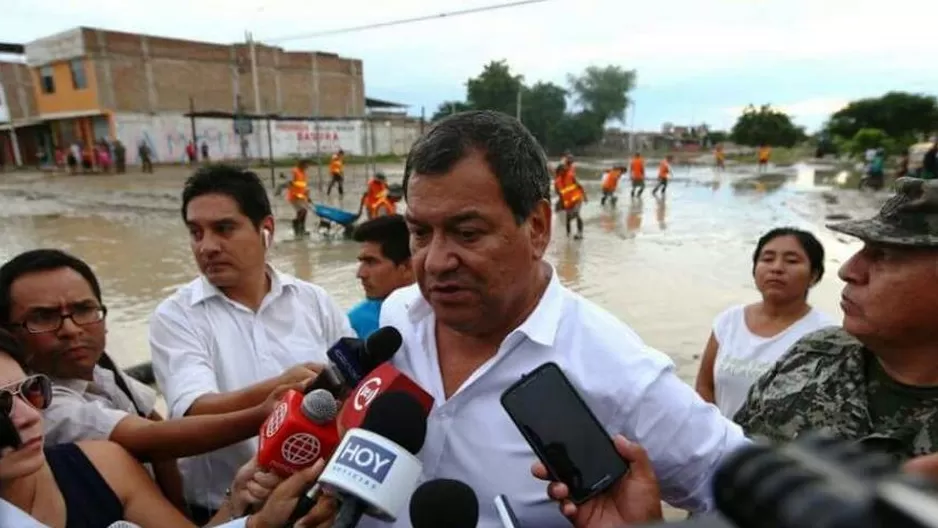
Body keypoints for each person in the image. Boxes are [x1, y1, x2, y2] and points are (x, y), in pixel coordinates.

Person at [364, 110, 747, 527]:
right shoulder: (398, 313)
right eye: (420, 233)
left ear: (538, 228)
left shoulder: (617, 370)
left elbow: (752, 492)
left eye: (468, 233)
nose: (435, 262)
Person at [0, 248, 298, 512]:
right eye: (43, 317)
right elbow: (152, 440)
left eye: (83, 310)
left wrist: (178, 509)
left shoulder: (98, 366)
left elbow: (154, 424)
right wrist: (264, 413)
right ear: (7, 334)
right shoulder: (39, 405)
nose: (70, 329)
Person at [149, 165, 355, 521]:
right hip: (227, 511)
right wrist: (281, 389)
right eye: (196, 233)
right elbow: (193, 410)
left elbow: (357, 391)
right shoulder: (176, 316)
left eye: (224, 229)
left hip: (315, 503)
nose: (207, 246)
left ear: (267, 229)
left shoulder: (314, 301)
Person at [735, 177, 938, 462]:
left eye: (885, 255)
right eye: (862, 249)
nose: (848, 270)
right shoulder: (815, 352)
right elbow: (730, 466)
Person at [0, 328, 286, 528]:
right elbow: (152, 437)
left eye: (31, 390)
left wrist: (237, 507)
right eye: (1, 406)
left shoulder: (101, 465)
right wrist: (261, 414)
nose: (29, 416)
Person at [693, 228, 836, 419]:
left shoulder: (827, 335)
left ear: (814, 275)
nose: (776, 268)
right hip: (724, 445)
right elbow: (705, 386)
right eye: (767, 259)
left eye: (792, 261)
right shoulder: (729, 321)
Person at [347, 215, 414, 338]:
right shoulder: (356, 323)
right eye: (362, 262)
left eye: (371, 262)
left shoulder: (442, 317)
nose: (360, 274)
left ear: (408, 267)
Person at [553, 158, 586, 239]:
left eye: (564, 170)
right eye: (561, 170)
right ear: (558, 172)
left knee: (576, 213)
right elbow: (559, 194)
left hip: (577, 199)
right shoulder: (557, 182)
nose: (563, 172)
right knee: (567, 219)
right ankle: (568, 235)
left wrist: (585, 196)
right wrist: (559, 205)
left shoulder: (571, 176)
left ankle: (580, 233)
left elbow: (579, 185)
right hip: (568, 203)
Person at [287, 159, 311, 237]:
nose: (308, 166)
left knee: (303, 211)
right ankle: (296, 225)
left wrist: (308, 196)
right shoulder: (295, 171)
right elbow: (290, 182)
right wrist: (292, 185)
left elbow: (304, 186)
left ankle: (301, 229)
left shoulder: (304, 174)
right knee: (302, 210)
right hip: (294, 196)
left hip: (301, 196)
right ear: (302, 164)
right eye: (306, 164)